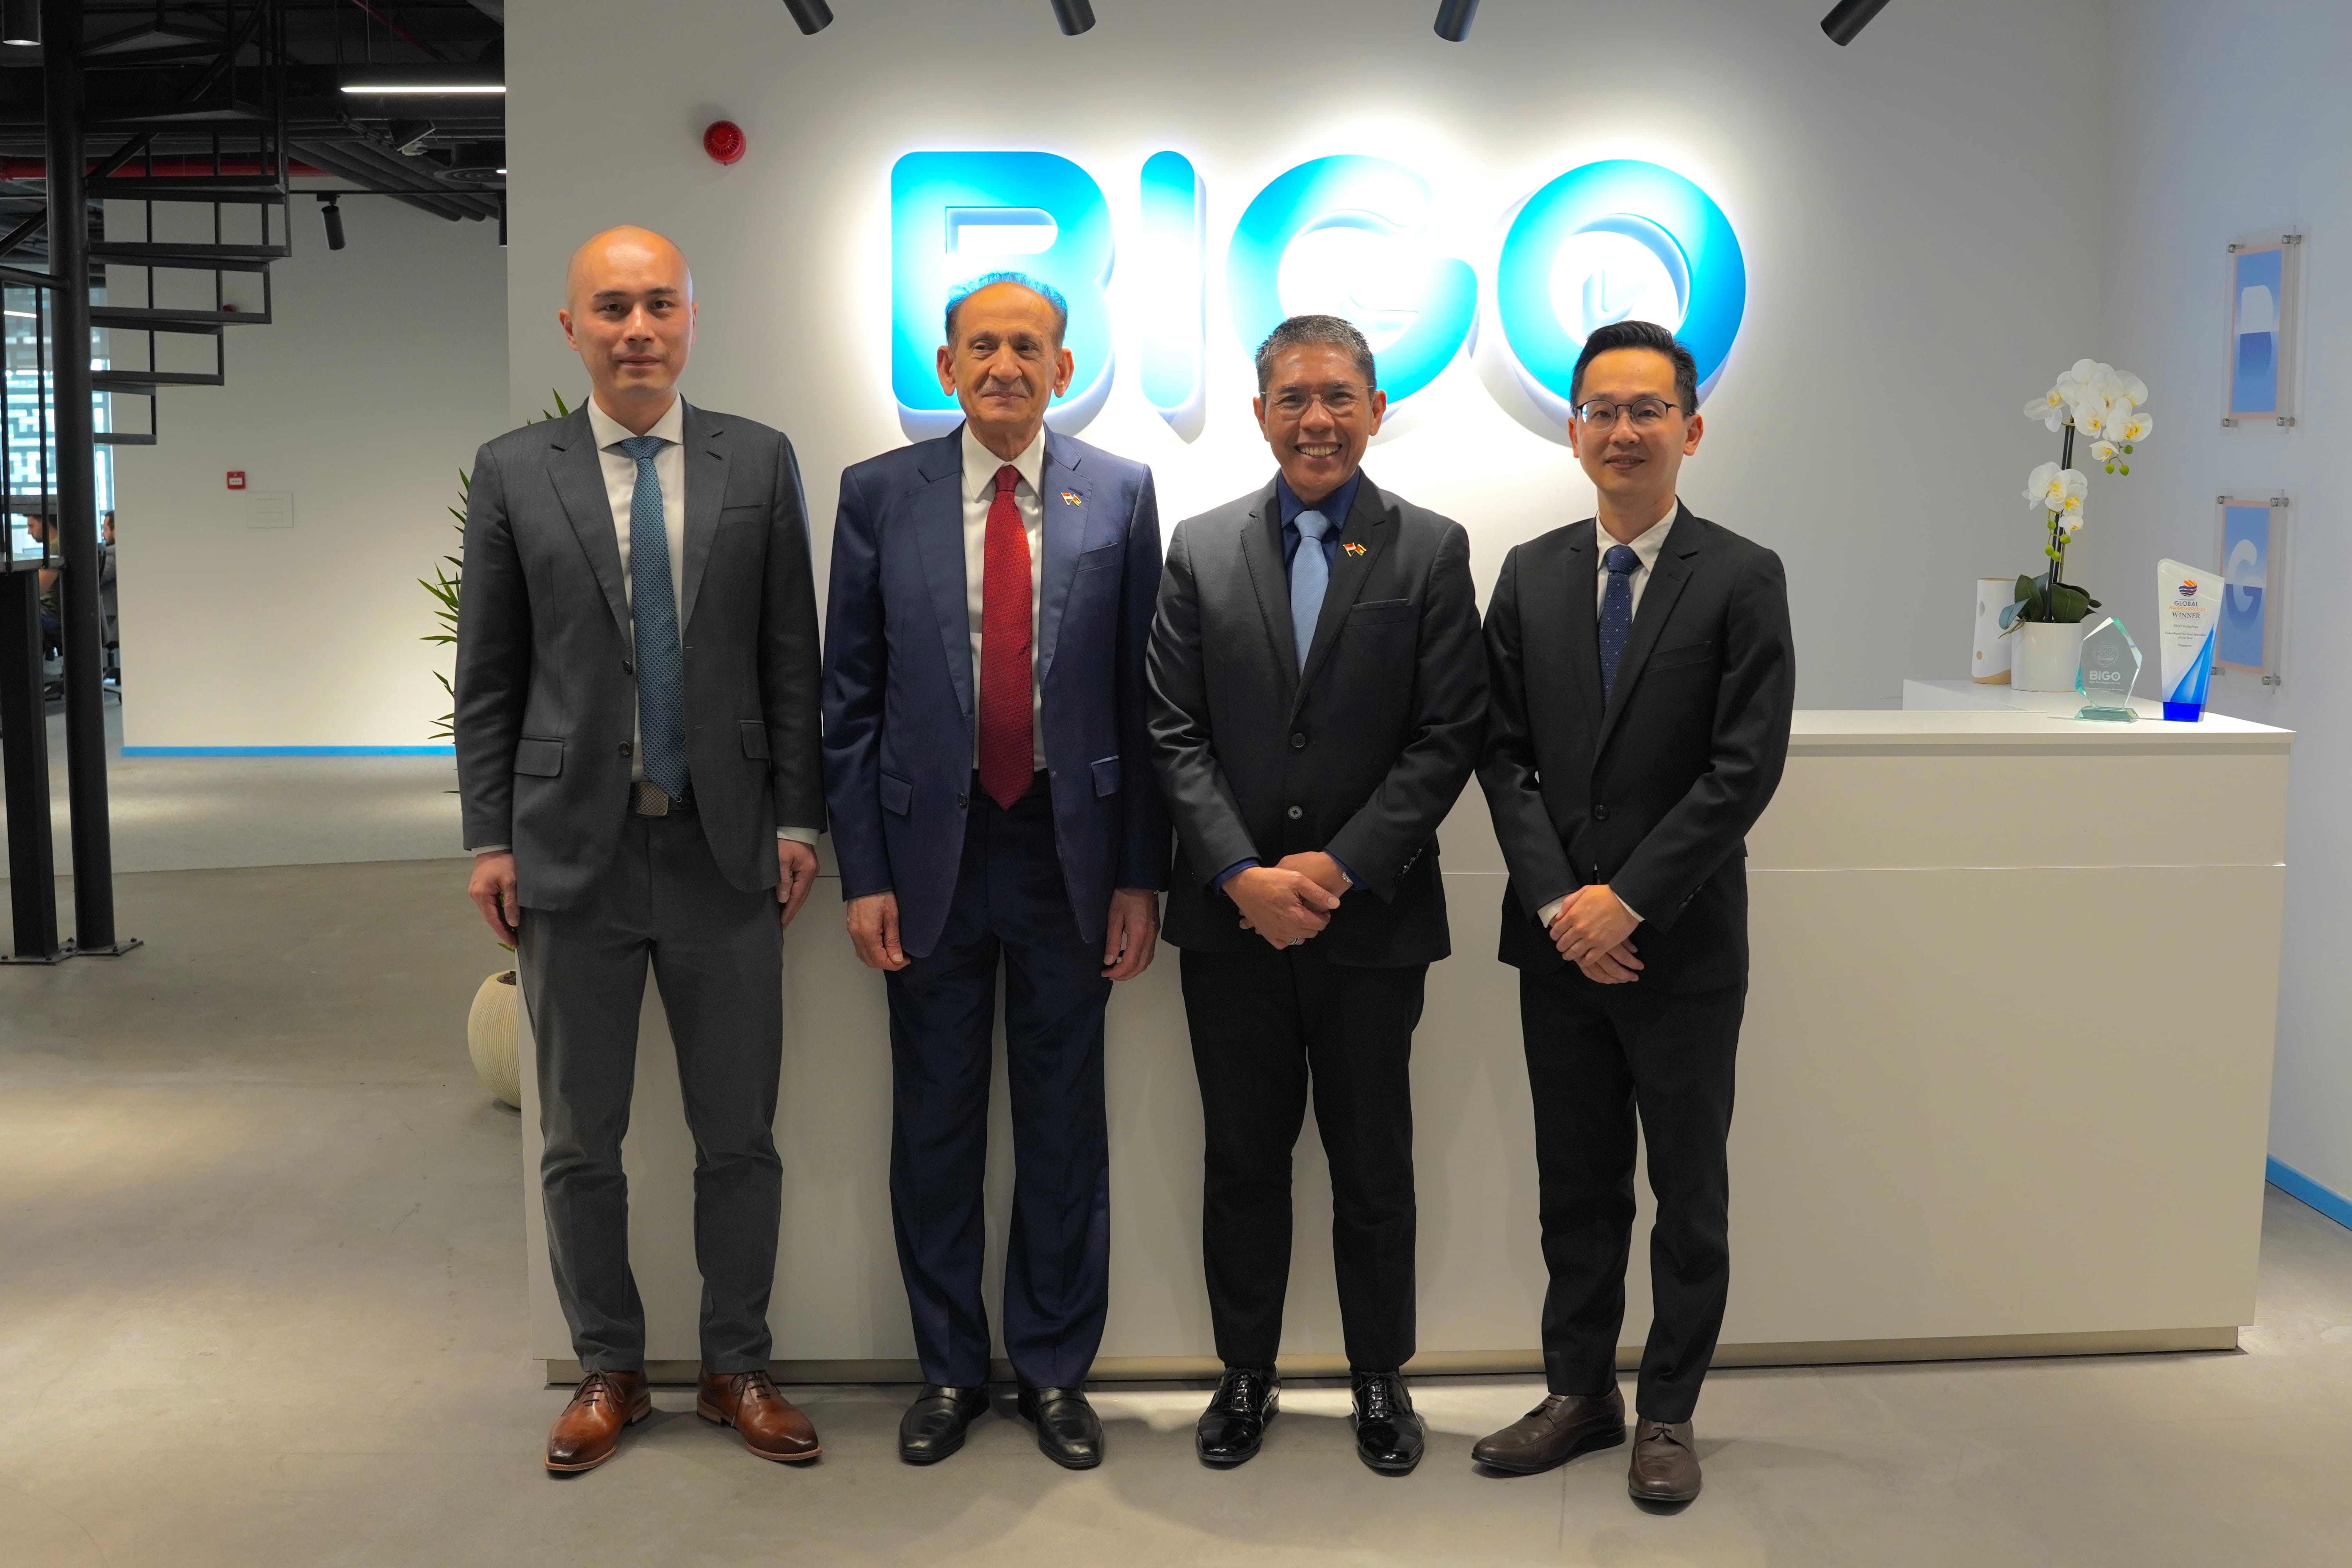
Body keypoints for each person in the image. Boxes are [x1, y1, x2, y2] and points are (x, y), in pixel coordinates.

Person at [454, 227, 827, 1475]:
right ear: (571, 328)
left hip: (727, 855)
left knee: (741, 1137)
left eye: (658, 304)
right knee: (577, 1140)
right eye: (610, 308)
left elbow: (792, 662)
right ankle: (609, 1366)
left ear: (691, 318)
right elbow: (490, 678)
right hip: (572, 858)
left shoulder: (759, 462)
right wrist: (488, 839)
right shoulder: (515, 472)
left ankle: (737, 1365)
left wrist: (792, 819)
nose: (636, 329)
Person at [822, 271, 1167, 1470]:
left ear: (1063, 368)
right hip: (931, 856)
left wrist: (1140, 877)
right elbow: (850, 702)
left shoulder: (1119, 494)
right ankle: (950, 1370)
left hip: (1069, 858)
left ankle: (1056, 1374)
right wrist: (861, 873)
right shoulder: (879, 495)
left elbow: (1141, 695)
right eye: (983, 345)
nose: (1005, 364)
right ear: (947, 362)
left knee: (1066, 1126)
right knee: (935, 1126)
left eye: (1029, 345)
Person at [1146, 314, 1487, 1475]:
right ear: (1260, 415)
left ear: (1377, 409)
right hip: (1229, 925)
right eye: (1293, 398)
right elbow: (1173, 732)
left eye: (1339, 396)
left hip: (1370, 922)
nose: (1317, 419)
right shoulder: (1198, 547)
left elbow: (1447, 739)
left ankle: (1379, 1382)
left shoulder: (1433, 551)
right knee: (1241, 1161)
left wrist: (1334, 868)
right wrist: (1242, 874)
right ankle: (1245, 1376)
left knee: (1371, 1161)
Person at [1470, 319, 1794, 1504]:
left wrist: (1631, 903)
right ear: (1573, 429)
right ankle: (1578, 1395)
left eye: (1647, 410)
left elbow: (1742, 770)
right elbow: (1501, 758)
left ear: (1691, 428)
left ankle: (1668, 1413)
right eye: (1601, 410)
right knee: (1578, 1183)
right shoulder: (1531, 572)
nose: (1623, 431)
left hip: (1684, 945)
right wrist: (1566, 903)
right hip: (1559, 947)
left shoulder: (1744, 576)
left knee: (1688, 1194)